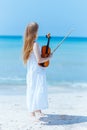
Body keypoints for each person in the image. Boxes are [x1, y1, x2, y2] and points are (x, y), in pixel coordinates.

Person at [22, 22, 52, 119]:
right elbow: (39, 60)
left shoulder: (28, 43)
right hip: (37, 71)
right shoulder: (35, 44)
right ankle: (32, 111)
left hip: (32, 70)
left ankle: (36, 110)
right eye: (37, 30)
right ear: (35, 32)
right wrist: (49, 57)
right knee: (37, 89)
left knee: (33, 88)